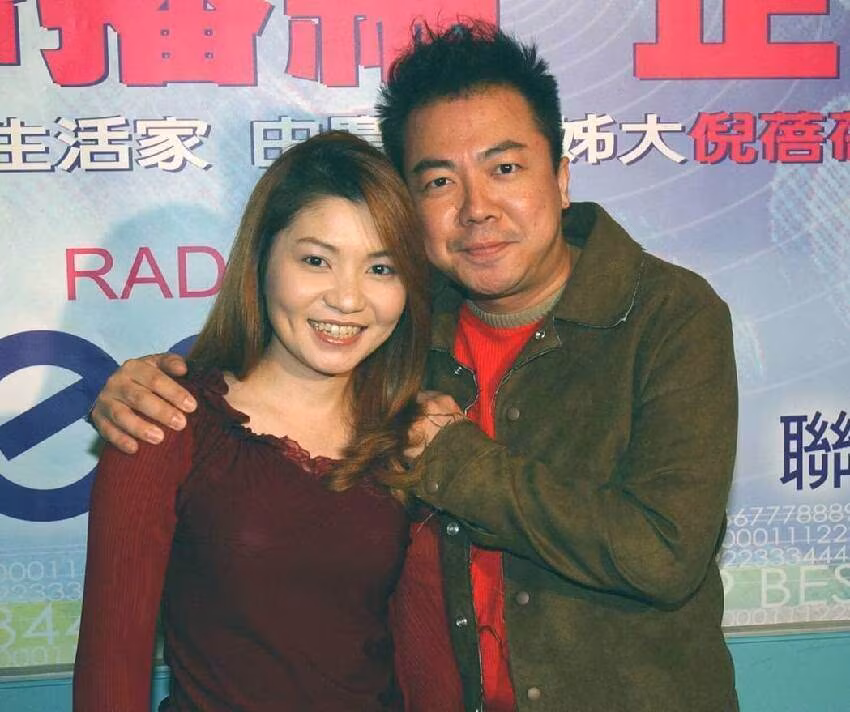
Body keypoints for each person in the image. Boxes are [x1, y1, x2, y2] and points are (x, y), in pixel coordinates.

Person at [88, 22, 740, 712]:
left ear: (561, 175)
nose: (477, 209)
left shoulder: (666, 314)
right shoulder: (402, 328)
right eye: (439, 181)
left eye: (505, 169)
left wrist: (455, 462)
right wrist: (146, 384)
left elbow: (664, 553)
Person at [73, 130, 464, 711]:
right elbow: (111, 675)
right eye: (316, 261)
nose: (348, 299)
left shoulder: (412, 438)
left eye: (381, 268)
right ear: (261, 260)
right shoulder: (164, 419)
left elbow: (428, 669)